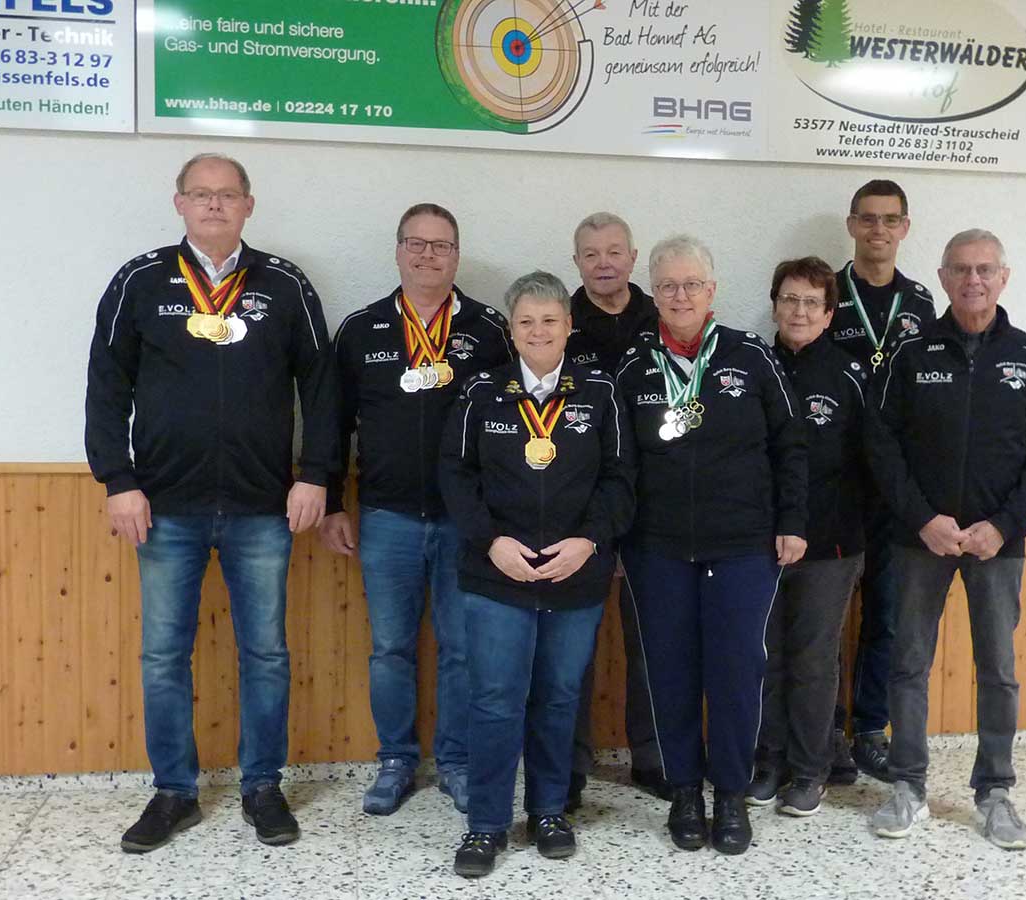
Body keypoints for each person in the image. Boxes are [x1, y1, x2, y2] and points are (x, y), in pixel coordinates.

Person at [85, 153, 337, 851]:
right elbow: (106, 384)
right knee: (164, 656)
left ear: (249, 206)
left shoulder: (284, 285)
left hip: (264, 506)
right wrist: (118, 479)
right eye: (203, 194)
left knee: (266, 653)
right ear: (180, 203)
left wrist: (316, 474)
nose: (216, 205)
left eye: (229, 195)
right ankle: (174, 792)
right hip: (164, 506)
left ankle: (263, 786)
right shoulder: (140, 280)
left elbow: (320, 388)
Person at [866, 229, 1026, 849]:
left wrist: (1004, 525)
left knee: (999, 670)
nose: (973, 280)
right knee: (907, 664)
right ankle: (907, 785)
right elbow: (880, 442)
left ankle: (996, 792)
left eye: (985, 269)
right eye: (961, 270)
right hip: (919, 539)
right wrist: (922, 519)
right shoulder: (909, 352)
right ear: (943, 276)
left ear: (1004, 277)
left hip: (995, 544)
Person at [616, 235, 808, 855]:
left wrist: (793, 521)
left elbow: (790, 445)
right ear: (653, 291)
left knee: (735, 671)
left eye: (692, 284)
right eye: (668, 285)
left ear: (713, 291)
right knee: (668, 671)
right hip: (657, 549)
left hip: (743, 547)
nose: (680, 295)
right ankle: (683, 795)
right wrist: (618, 539)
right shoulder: (632, 365)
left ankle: (729, 793)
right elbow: (616, 464)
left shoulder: (751, 357)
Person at [439, 271, 635, 877]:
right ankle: (487, 824)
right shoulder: (480, 392)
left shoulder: (599, 393)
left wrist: (589, 541)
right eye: (526, 321)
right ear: (511, 328)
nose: (538, 330)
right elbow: (456, 475)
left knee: (558, 698)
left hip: (576, 573)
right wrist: (491, 541)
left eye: (550, 319)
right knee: (496, 699)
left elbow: (622, 482)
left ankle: (549, 810)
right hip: (497, 574)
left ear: (569, 326)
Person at [319, 203, 512, 816]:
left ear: (458, 255)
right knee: (391, 648)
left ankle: (454, 761)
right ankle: (396, 759)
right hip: (387, 518)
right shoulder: (362, 328)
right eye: (417, 243)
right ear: (398, 250)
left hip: (467, 523)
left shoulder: (489, 329)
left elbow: (510, 423)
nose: (429, 255)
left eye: (442, 245)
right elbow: (332, 422)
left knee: (460, 648)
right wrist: (329, 501)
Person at [747, 257, 868, 816]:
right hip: (758, 545)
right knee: (764, 656)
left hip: (830, 546)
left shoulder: (850, 375)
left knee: (814, 660)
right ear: (774, 303)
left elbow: (874, 461)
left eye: (811, 303)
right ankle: (768, 760)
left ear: (828, 313)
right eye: (789, 299)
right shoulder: (750, 366)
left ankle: (811, 769)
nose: (798, 311)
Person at [831, 179, 936, 784]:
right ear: (851, 225)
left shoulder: (921, 305)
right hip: (838, 482)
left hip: (898, 488)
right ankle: (827, 731)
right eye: (867, 219)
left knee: (888, 616)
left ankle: (871, 729)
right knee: (825, 615)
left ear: (904, 227)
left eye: (889, 220)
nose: (878, 230)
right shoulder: (823, 292)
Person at [565, 212, 665, 807]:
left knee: (650, 642)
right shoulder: (557, 323)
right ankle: (569, 762)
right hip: (576, 512)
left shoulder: (666, 320)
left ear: (633, 258)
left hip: (654, 509)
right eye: (590, 253)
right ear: (575, 261)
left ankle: (651, 755)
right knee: (571, 647)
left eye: (614, 252)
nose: (603, 262)